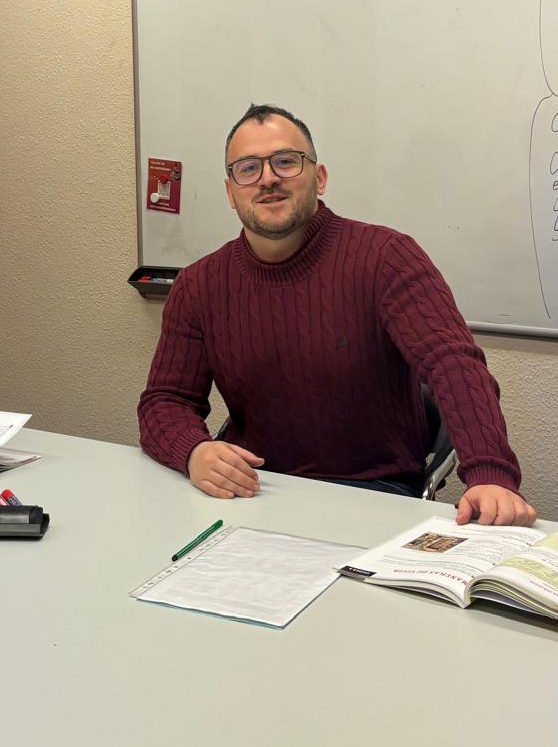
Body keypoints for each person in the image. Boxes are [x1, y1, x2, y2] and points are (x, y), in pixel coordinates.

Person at [138, 103, 535, 524]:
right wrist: (193, 451)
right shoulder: (199, 284)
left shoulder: (386, 258)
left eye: (286, 162)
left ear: (320, 178)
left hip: (375, 491)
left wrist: (490, 475)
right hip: (256, 490)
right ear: (230, 192)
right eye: (248, 169)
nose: (268, 178)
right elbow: (165, 400)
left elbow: (453, 365)